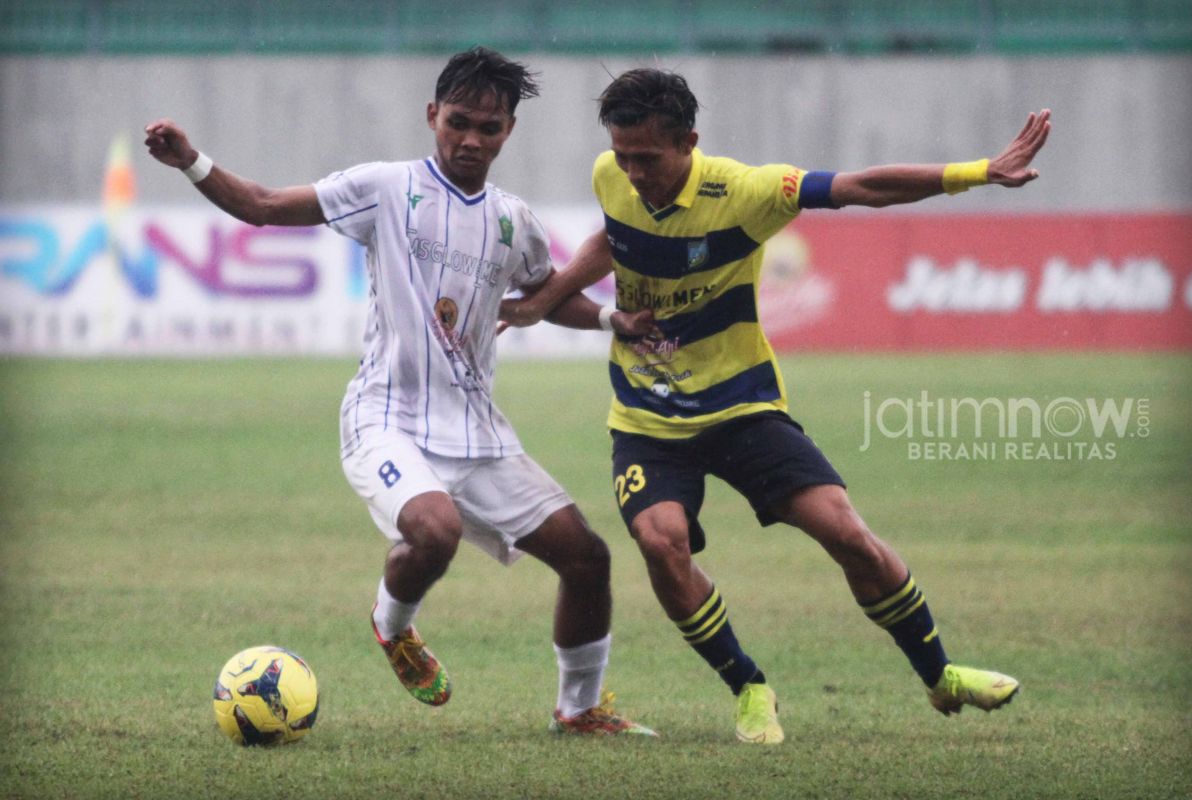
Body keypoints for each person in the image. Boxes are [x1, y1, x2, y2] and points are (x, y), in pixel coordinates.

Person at [501, 67, 1051, 744]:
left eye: (648, 157)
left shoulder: (747, 192)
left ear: (689, 141)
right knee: (659, 542)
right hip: (648, 418)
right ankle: (748, 686)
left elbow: (860, 187)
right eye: (623, 155)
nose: (634, 170)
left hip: (742, 408)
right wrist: (547, 297)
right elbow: (614, 238)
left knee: (846, 533)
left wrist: (976, 172)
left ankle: (940, 675)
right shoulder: (611, 175)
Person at [143, 48, 659, 737]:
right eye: (458, 122)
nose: (471, 139)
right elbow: (263, 206)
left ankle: (579, 709)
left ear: (509, 131)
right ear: (431, 116)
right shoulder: (386, 188)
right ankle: (394, 628)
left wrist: (605, 318)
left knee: (587, 558)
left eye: (489, 127)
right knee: (433, 530)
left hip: (477, 431)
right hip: (386, 417)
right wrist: (192, 161)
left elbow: (542, 296)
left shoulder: (513, 220)